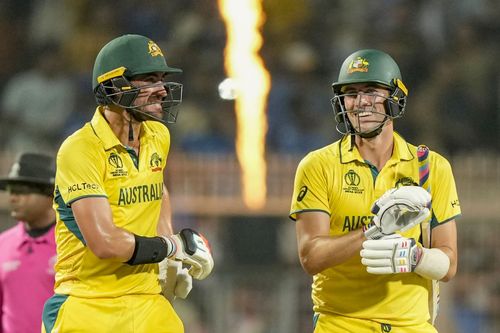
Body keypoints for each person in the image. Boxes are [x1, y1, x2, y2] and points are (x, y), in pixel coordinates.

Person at [41, 34, 214, 333]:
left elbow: (158, 188)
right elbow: (105, 243)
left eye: (161, 79)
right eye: (149, 79)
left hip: (147, 300)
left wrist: (167, 258)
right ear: (113, 87)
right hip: (87, 301)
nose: (161, 90)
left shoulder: (158, 136)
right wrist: (171, 247)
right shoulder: (80, 149)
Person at [290, 49, 460, 333]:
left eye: (371, 90)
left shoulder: (431, 167)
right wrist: (373, 231)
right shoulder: (318, 165)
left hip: (413, 326)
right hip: (341, 324)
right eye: (351, 93)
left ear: (395, 98)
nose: (360, 103)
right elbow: (311, 257)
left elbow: (450, 264)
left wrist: (415, 257)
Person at [0, 152, 57, 333]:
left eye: (22, 190)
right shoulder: (3, 244)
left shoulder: (74, 244)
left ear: (50, 194)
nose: (13, 198)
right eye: (11, 190)